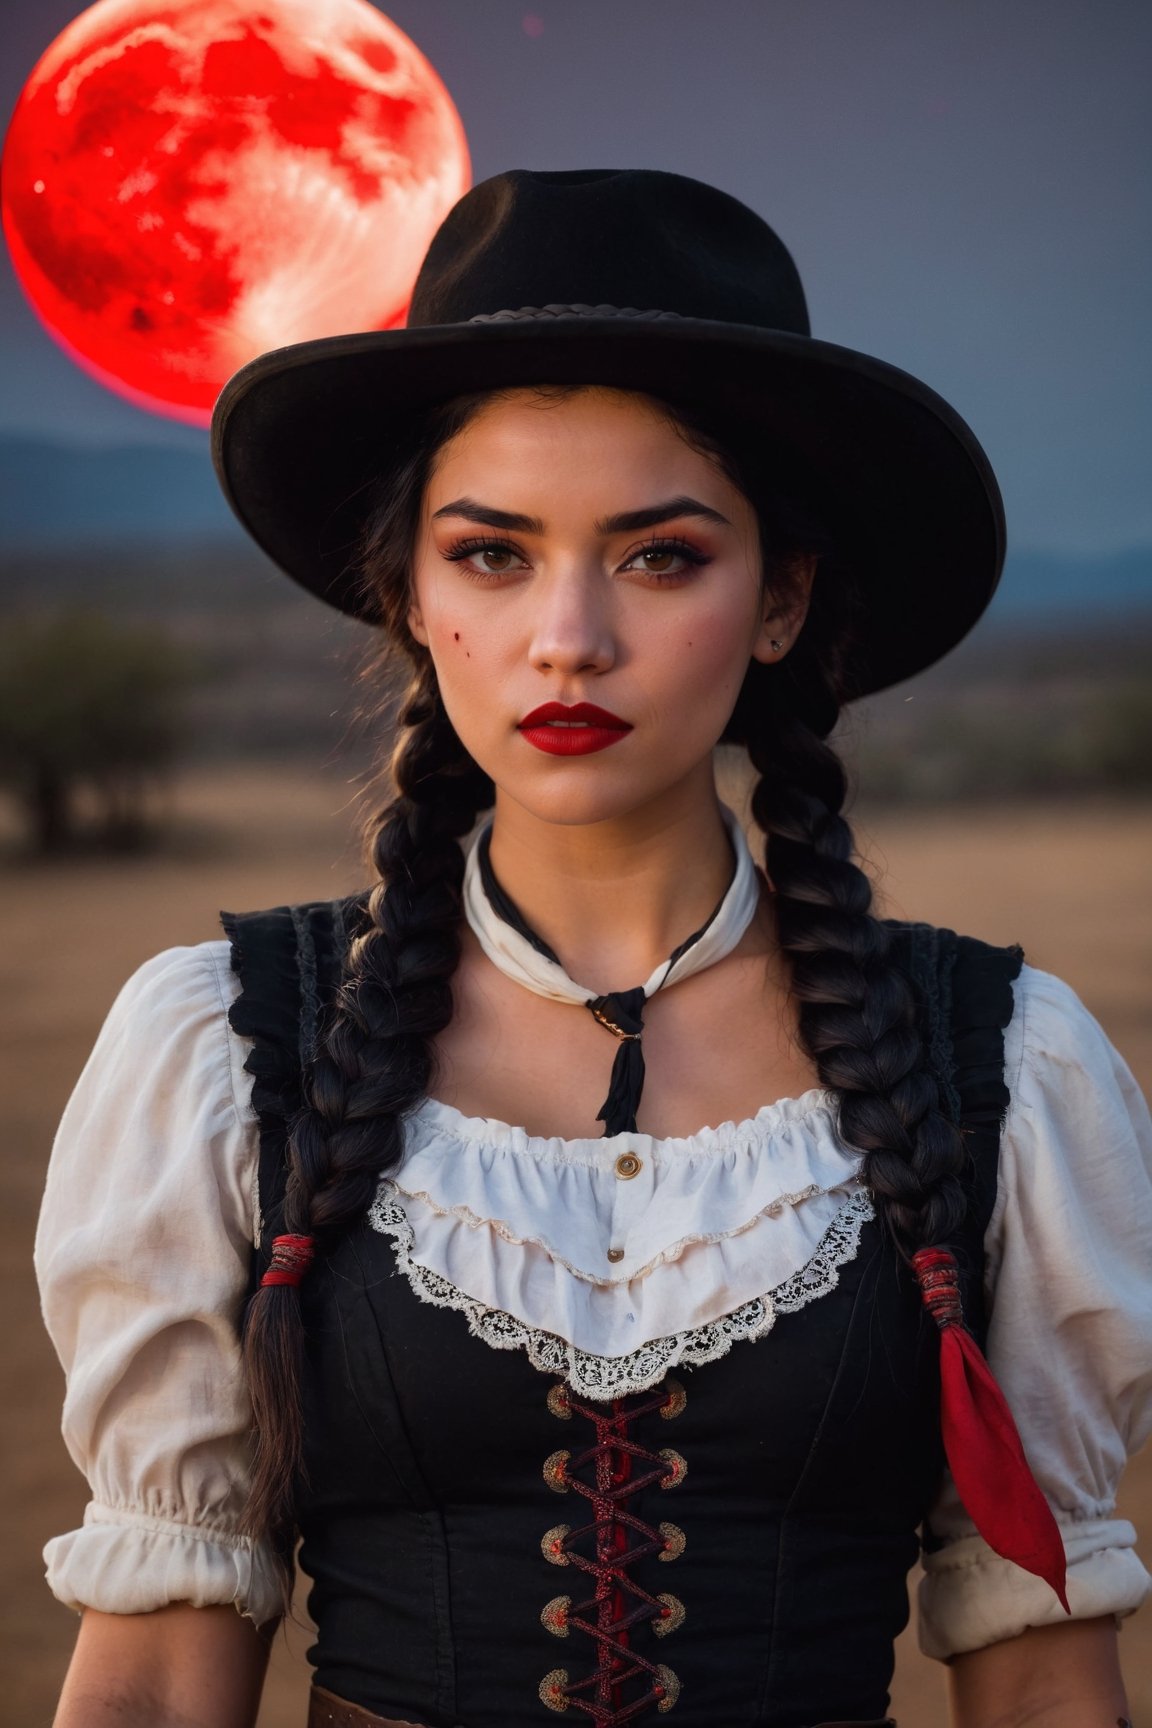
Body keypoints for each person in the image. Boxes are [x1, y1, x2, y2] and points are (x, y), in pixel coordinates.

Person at [35, 169, 1151, 1728]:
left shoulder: (996, 1070)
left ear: (783, 600)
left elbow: (1044, 1686)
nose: (570, 634)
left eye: (662, 554)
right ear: (409, 596)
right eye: (492, 553)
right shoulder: (229, 1051)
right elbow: (154, 1683)